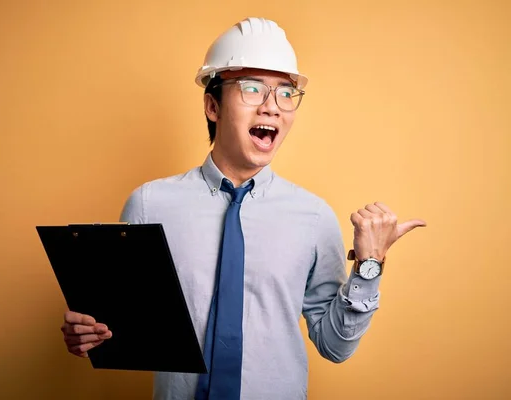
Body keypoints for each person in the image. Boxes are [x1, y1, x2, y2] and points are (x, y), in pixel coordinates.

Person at [60, 17, 426, 400]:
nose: (272, 107)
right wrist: (87, 332)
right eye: (252, 89)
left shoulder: (315, 217)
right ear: (212, 106)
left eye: (286, 93)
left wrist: (370, 265)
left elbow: (335, 346)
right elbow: (123, 323)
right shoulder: (149, 204)